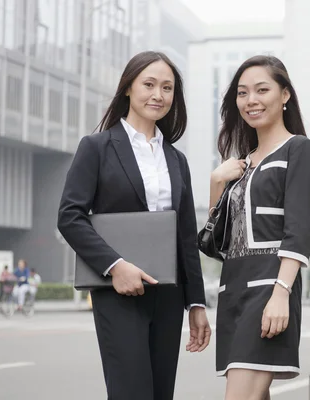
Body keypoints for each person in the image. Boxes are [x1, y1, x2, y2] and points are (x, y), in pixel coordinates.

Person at [57, 51, 210, 400]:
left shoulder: (176, 159)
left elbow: (185, 236)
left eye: (167, 88)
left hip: (169, 295)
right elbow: (69, 216)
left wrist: (196, 303)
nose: (158, 94)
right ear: (128, 87)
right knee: (131, 392)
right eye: (150, 84)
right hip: (118, 293)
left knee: (160, 393)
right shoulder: (96, 148)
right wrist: (115, 266)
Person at [208, 55, 310, 400]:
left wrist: (280, 294)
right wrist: (217, 183)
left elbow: (299, 232)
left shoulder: (299, 150)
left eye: (262, 90)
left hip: (268, 289)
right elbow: (218, 243)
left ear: (284, 95)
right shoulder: (240, 163)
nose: (251, 100)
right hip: (233, 290)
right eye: (242, 93)